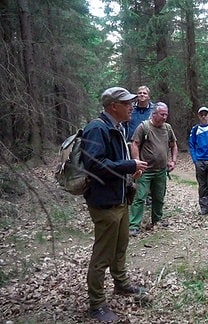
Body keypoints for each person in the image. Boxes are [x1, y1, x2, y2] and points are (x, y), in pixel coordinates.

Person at [81, 87, 149, 322]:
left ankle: (121, 284)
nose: (132, 105)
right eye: (127, 102)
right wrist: (129, 165)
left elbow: (114, 163)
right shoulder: (97, 128)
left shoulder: (117, 127)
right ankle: (97, 304)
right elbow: (94, 166)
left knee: (120, 246)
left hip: (120, 200)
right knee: (103, 254)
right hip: (105, 204)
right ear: (113, 106)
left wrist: (131, 172)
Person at [128, 102, 178, 236]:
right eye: (162, 114)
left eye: (166, 114)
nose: (165, 117)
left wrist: (173, 161)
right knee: (139, 197)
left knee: (159, 197)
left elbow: (173, 145)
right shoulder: (144, 127)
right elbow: (135, 144)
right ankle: (133, 225)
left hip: (161, 170)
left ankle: (157, 220)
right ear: (154, 114)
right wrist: (137, 163)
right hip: (145, 171)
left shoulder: (167, 128)